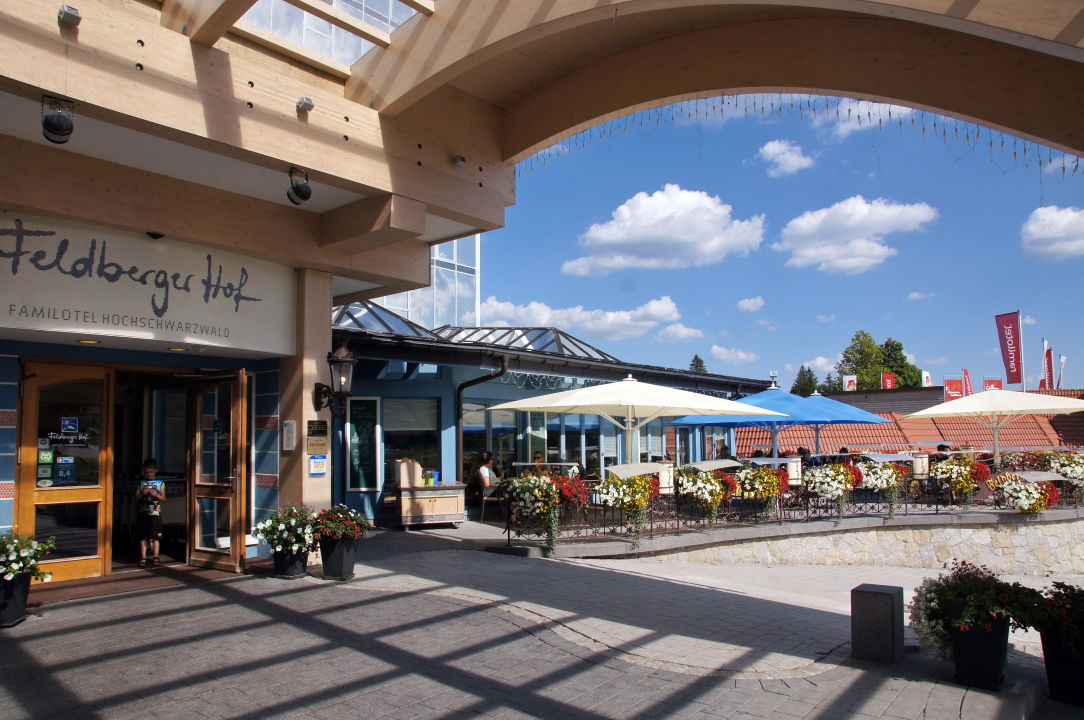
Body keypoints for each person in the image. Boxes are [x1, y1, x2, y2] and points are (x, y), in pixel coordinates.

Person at [134, 458, 165, 566]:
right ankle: (143, 556)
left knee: (156, 536)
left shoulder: (160, 483)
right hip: (143, 513)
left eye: (151, 472)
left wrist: (155, 494)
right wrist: (143, 493)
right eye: (147, 472)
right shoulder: (141, 483)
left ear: (156, 471)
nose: (149, 474)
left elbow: (164, 498)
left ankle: (155, 556)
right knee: (143, 536)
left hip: (155, 513)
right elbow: (136, 498)